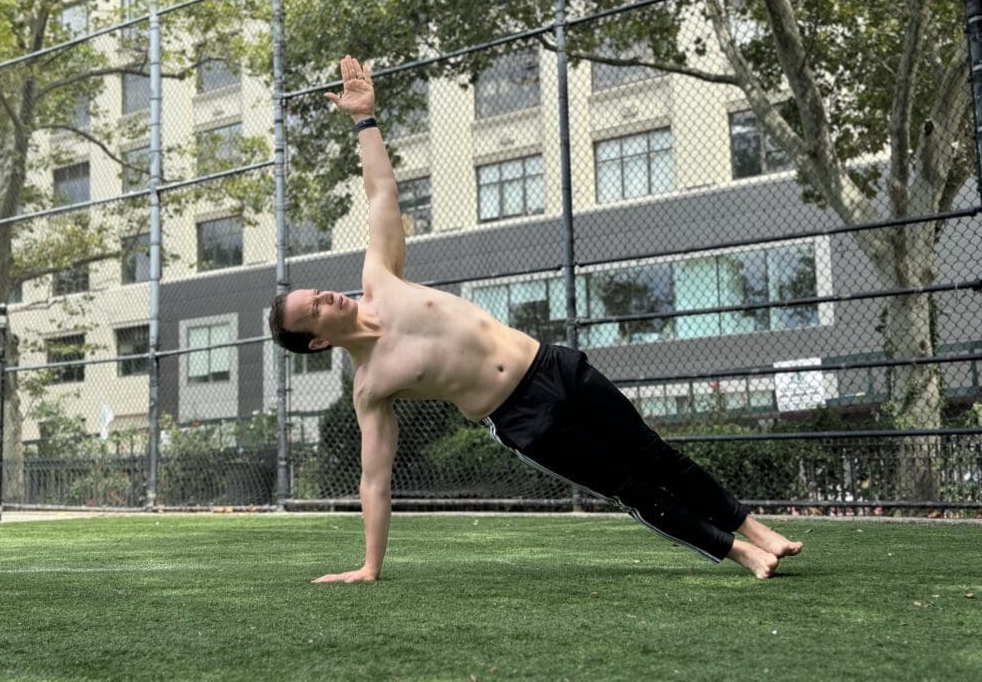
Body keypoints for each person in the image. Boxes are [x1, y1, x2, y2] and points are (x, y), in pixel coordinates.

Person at [269, 55, 803, 583]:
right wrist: (370, 565)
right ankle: (740, 553)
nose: (327, 298)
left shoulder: (380, 277)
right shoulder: (371, 386)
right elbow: (374, 481)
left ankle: (759, 531)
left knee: (654, 454)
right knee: (630, 486)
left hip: (552, 365)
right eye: (314, 310)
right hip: (524, 420)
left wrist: (365, 119)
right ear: (316, 342)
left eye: (318, 292)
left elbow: (380, 192)